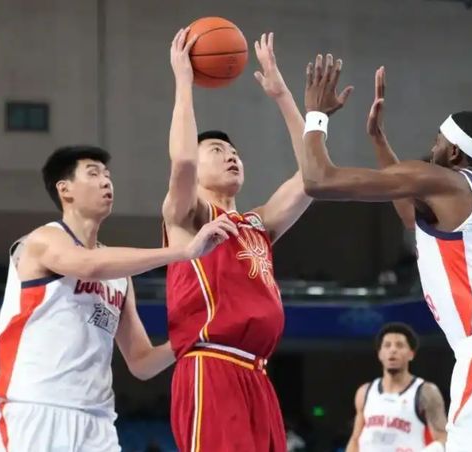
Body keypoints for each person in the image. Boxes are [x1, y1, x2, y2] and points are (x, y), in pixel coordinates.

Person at [297, 55, 472, 452]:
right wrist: (379, 141)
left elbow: (318, 180)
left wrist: (315, 116)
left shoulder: (443, 180)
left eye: (437, 142)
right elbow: (412, 213)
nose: (431, 150)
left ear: (455, 154)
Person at [0, 146, 236, 452]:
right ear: (65, 189)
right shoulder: (42, 240)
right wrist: (183, 251)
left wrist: (198, 333)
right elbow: (88, 266)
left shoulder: (119, 276)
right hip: (34, 410)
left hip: (98, 421)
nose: (106, 181)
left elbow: (142, 362)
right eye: (93, 174)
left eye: (107, 175)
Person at [164, 30, 312, 451]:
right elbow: (182, 161)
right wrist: (184, 82)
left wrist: (283, 96)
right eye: (216, 149)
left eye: (234, 152)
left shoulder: (257, 223)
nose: (231, 155)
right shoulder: (188, 215)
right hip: (210, 365)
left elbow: (314, 177)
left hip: (258, 374)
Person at [347, 323, 447, 452]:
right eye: (387, 345)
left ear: (411, 354)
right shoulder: (365, 392)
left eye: (399, 345)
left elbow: (444, 438)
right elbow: (355, 439)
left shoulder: (426, 392)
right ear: (380, 354)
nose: (393, 350)